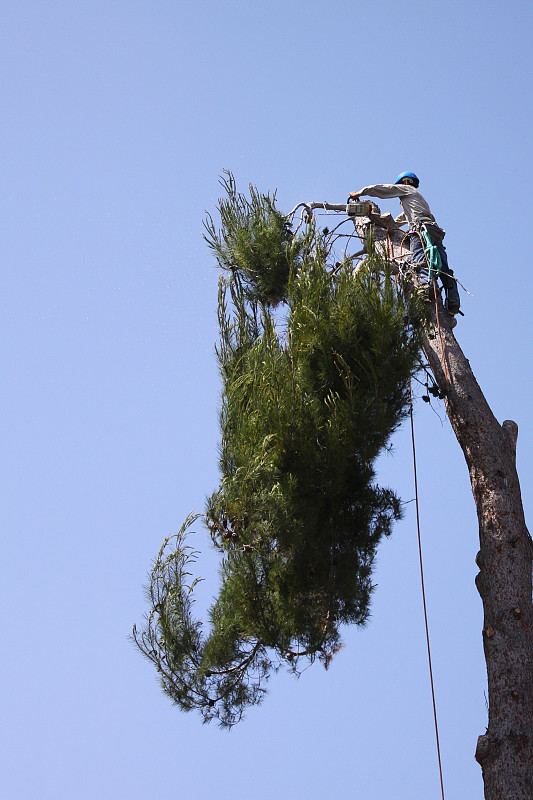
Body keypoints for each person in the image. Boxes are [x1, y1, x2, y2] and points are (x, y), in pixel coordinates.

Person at [350, 172, 460, 315]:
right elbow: (399, 220)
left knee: (419, 261)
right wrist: (387, 224)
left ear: (406, 182)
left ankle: (426, 288)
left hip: (421, 230)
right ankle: (453, 301)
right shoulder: (417, 202)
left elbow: (386, 189)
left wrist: (361, 192)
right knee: (444, 268)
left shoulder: (408, 190)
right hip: (434, 231)